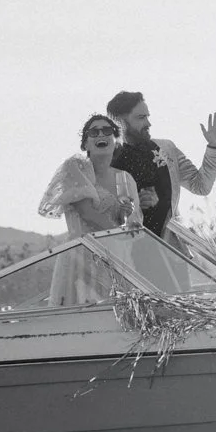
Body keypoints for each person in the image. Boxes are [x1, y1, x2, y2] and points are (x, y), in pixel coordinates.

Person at [37, 114, 143, 305]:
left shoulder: (126, 178)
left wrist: (125, 214)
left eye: (107, 131)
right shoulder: (75, 167)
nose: (100, 134)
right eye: (94, 132)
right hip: (82, 257)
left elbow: (133, 225)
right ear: (85, 144)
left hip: (117, 259)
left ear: (116, 140)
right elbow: (87, 212)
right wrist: (118, 232)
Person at [106, 91, 216, 239]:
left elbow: (200, 186)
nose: (148, 123)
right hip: (127, 251)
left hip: (171, 251)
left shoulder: (167, 149)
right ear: (120, 121)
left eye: (147, 116)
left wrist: (214, 147)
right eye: (141, 117)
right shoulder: (106, 161)